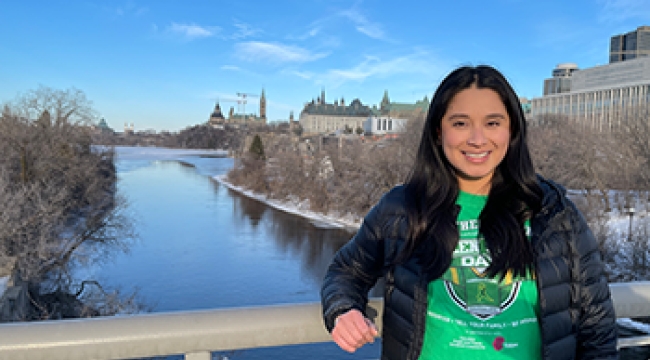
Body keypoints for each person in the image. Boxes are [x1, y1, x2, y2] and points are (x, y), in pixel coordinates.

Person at [320, 65, 618, 360]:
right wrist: (342, 309)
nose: (477, 139)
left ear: (512, 129)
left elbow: (596, 329)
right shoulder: (402, 208)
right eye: (460, 123)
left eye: (492, 123)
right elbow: (346, 270)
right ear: (439, 131)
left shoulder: (554, 213)